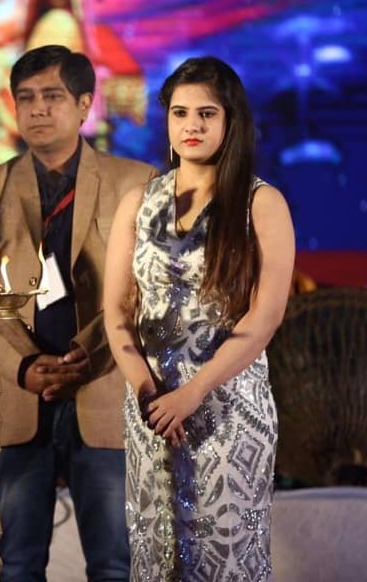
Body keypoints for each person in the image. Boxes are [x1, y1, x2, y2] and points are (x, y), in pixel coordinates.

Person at [0, 44, 155, 582]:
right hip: (17, 394)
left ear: (85, 104)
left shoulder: (138, 181)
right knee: (14, 565)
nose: (37, 109)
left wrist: (90, 353)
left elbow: (150, 289)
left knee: (115, 565)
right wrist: (21, 366)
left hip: (104, 386)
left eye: (52, 96)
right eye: (26, 98)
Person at [103, 56, 295, 580]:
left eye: (207, 114)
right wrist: (147, 391)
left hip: (228, 409)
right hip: (151, 408)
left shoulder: (261, 203)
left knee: (224, 562)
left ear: (230, 121)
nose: (192, 125)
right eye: (180, 113)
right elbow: (116, 312)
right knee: (155, 558)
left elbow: (265, 317)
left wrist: (193, 392)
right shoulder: (138, 202)